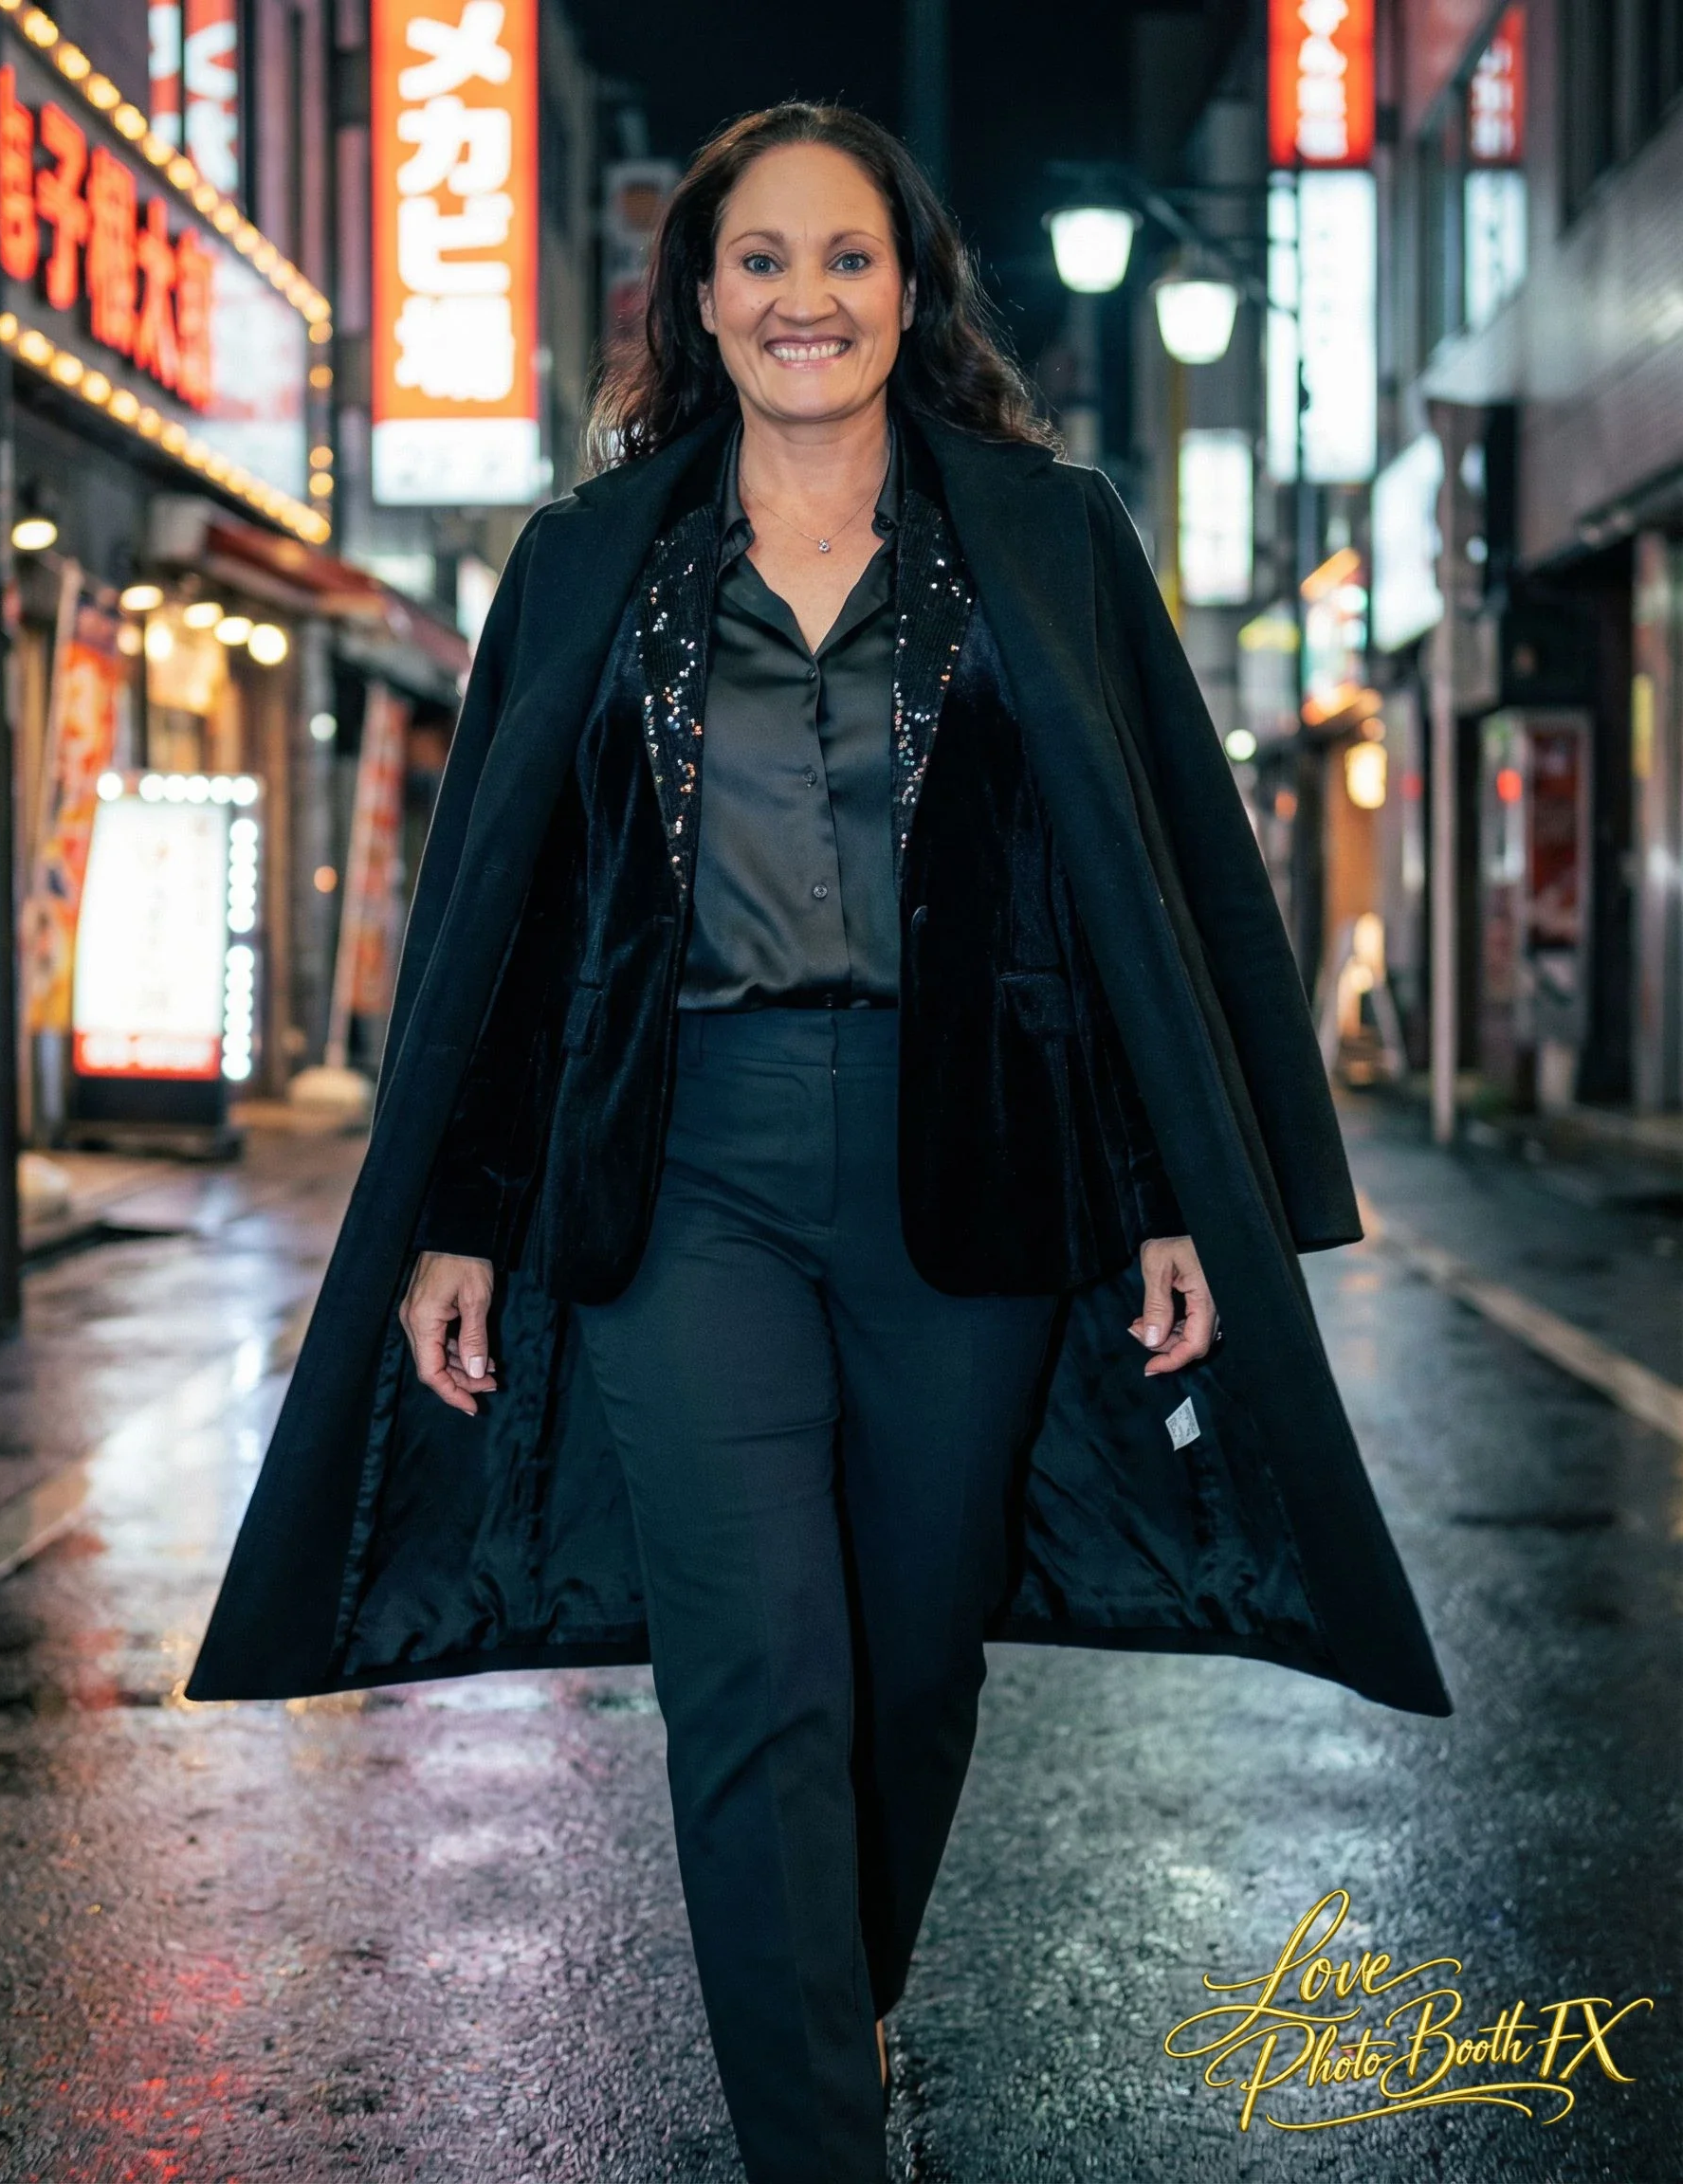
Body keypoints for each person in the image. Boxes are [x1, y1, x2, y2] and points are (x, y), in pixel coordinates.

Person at [189, 103, 1449, 2184]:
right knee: (754, 1673)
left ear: (909, 290)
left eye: (845, 258)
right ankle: (812, 2140)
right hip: (682, 1172)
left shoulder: (1046, 541)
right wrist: (460, 1218)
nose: (803, 298)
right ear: (697, 299)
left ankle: (820, 1999)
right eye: (759, 261)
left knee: (906, 1661)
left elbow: (1149, 889)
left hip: (973, 1169)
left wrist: (1171, 1198)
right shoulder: (593, 561)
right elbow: (508, 919)